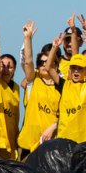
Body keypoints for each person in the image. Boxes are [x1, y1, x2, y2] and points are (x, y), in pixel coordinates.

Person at [41, 24, 86, 143]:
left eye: (80, 68)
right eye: (74, 68)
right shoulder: (65, 85)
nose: (76, 71)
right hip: (68, 140)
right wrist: (55, 48)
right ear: (69, 70)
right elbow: (49, 67)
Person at [17, 21, 63, 157]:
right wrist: (27, 39)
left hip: (51, 143)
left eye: (47, 61)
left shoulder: (61, 85)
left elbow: (65, 115)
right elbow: (28, 61)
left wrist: (53, 126)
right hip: (29, 143)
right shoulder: (33, 79)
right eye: (41, 62)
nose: (44, 65)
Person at [0, 53, 20, 159]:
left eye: (9, 67)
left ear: (14, 69)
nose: (6, 70)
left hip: (10, 138)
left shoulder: (16, 88)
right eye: (3, 66)